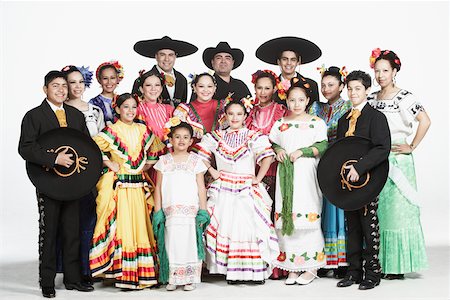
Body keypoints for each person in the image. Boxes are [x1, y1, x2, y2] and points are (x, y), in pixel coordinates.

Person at [18, 71, 94, 298]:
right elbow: (26, 147)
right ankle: (47, 280)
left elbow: (86, 146)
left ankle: (72, 278)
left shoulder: (75, 116)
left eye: (64, 86)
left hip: (73, 183)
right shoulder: (34, 116)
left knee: (72, 230)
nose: (61, 90)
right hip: (48, 182)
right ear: (45, 89)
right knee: (49, 231)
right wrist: (54, 159)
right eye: (55, 86)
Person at [193, 100, 279, 284]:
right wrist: (212, 171)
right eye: (231, 113)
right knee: (227, 225)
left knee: (249, 226)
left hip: (246, 185)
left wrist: (257, 178)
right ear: (225, 115)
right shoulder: (216, 136)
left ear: (245, 116)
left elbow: (268, 157)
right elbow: (200, 155)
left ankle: (255, 272)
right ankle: (231, 272)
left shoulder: (253, 136)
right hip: (224, 186)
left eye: (239, 114)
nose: (234, 117)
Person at [89, 93, 166, 290]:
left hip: (138, 186)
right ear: (117, 109)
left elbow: (156, 149)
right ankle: (122, 272)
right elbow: (91, 147)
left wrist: (146, 166)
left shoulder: (143, 129)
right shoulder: (111, 130)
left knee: (139, 225)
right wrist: (108, 162)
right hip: (121, 186)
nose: (130, 111)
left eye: (133, 107)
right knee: (123, 226)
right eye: (126, 107)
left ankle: (142, 272)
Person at [368, 49, 431, 280]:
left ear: (395, 71)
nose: (381, 75)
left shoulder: (406, 97)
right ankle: (381, 262)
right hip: (377, 158)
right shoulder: (372, 97)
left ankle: (398, 265)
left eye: (385, 70)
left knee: (398, 211)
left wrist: (411, 145)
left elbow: (425, 120)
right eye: (377, 71)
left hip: (397, 160)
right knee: (380, 211)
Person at [269, 77, 328, 285]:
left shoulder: (316, 123)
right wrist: (279, 151)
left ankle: (311, 267)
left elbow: (323, 146)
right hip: (285, 173)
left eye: (300, 100)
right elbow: (273, 144)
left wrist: (302, 152)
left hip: (306, 173)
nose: (296, 104)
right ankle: (293, 266)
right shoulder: (280, 124)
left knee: (307, 213)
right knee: (287, 216)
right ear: (286, 101)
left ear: (307, 101)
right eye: (292, 100)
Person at [335, 70, 391, 290]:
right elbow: (339, 152)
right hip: (348, 182)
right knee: (353, 226)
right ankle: (354, 271)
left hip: (369, 181)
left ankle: (372, 272)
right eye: (349, 88)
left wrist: (360, 167)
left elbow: (382, 148)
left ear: (367, 90)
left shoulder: (376, 117)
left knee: (369, 226)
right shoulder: (343, 120)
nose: (353, 92)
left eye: (357, 88)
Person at [57, 65, 104, 284]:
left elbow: (103, 141)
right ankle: (67, 268)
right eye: (71, 82)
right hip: (65, 172)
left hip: (91, 170)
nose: (76, 86)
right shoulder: (57, 111)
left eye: (79, 82)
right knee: (67, 220)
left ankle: (87, 268)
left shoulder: (95, 110)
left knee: (88, 219)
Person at [152, 120, 209, 291]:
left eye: (185, 137)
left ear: (191, 141)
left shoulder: (196, 161)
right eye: (177, 137)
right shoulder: (164, 161)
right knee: (171, 242)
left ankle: (190, 278)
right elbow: (158, 187)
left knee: (190, 242)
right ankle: (173, 277)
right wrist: (158, 211)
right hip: (171, 211)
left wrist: (203, 210)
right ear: (170, 139)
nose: (181, 140)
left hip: (190, 210)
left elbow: (201, 187)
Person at [309, 66, 352, 278]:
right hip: (319, 163)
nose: (326, 89)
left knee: (340, 209)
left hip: (342, 163)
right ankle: (325, 259)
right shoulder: (315, 108)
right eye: (323, 85)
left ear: (341, 86)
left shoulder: (349, 106)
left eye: (331, 85)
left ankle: (344, 260)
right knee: (322, 207)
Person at [256, 36, 321, 106]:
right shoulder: (270, 86)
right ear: (279, 62)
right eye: (285, 59)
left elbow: (315, 112)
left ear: (298, 62)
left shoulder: (311, 85)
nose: (289, 63)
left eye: (293, 59)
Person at [134, 36, 198, 107]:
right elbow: (134, 106)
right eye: (162, 55)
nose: (166, 59)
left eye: (170, 55)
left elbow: (182, 106)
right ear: (156, 56)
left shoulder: (181, 79)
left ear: (175, 56)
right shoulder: (143, 79)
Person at [174, 73, 226, 142]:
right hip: (192, 150)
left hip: (220, 151)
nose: (205, 90)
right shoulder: (184, 110)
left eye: (209, 86)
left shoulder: (224, 108)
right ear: (194, 88)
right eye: (201, 86)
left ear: (214, 88)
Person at [133, 69, 174, 142]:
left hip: (169, 151)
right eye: (148, 85)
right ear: (141, 89)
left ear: (161, 89)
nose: (153, 89)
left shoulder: (169, 109)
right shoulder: (136, 109)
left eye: (157, 85)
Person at [89, 60, 124, 125]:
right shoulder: (93, 103)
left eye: (112, 78)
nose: (109, 82)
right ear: (99, 80)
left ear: (118, 79)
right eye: (105, 78)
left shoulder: (123, 100)